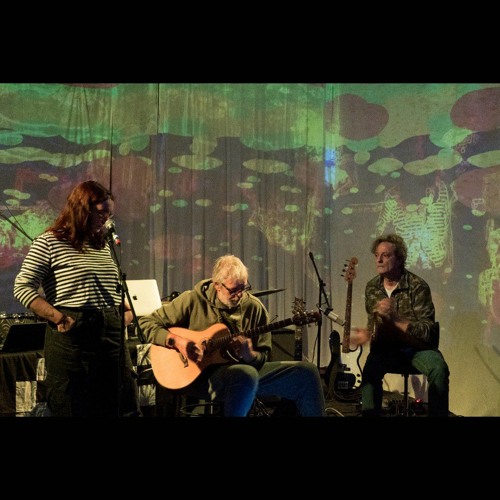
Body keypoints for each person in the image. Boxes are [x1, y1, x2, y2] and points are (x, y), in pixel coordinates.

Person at [138, 254, 326, 417]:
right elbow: (146, 322)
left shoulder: (254, 307)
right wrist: (177, 341)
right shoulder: (192, 300)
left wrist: (250, 355)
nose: (239, 295)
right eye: (233, 290)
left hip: (244, 374)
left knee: (307, 372)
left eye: (243, 288)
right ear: (217, 285)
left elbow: (264, 357)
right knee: (245, 373)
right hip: (199, 377)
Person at [13, 180, 139, 417]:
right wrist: (59, 318)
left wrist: (126, 312)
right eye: (101, 212)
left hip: (111, 335)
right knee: (73, 403)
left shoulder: (103, 245)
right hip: (74, 334)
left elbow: (108, 287)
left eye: (109, 213)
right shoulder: (49, 242)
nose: (106, 219)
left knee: (119, 402)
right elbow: (22, 286)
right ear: (81, 209)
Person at [350, 233, 450, 417]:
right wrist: (366, 334)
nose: (379, 260)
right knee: (370, 369)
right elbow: (373, 323)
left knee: (439, 369)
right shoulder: (372, 287)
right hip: (388, 350)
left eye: (386, 255)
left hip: (417, 349)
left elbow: (427, 332)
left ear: (399, 260)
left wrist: (397, 318)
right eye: (376, 255)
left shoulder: (417, 286)